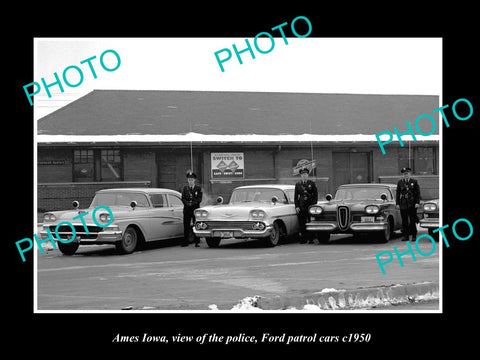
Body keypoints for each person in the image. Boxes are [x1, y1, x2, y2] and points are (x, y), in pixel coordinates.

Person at [396, 167, 421, 241]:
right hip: (403, 203)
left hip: (412, 204)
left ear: (410, 174)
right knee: (404, 221)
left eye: (407, 174)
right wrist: (397, 203)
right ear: (403, 175)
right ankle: (405, 236)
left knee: (412, 220)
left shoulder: (414, 181)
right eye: (404, 174)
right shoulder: (400, 182)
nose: (406, 175)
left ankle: (414, 235)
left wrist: (417, 202)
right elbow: (398, 193)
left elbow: (417, 193)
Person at [294, 167, 318, 244]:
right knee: (302, 223)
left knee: (310, 222)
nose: (304, 176)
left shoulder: (312, 183)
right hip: (301, 206)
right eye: (302, 174)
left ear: (307, 175)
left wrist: (313, 205)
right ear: (301, 176)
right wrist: (297, 206)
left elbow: (315, 195)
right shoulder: (298, 184)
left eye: (305, 174)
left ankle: (311, 238)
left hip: (310, 205)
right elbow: (296, 197)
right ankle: (303, 238)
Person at [181, 171, 203, 247]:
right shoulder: (185, 188)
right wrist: (187, 204)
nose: (190, 181)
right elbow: (183, 198)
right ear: (187, 180)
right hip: (187, 209)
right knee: (186, 226)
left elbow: (199, 199)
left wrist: (192, 204)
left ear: (194, 180)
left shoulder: (198, 188)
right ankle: (185, 241)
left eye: (192, 179)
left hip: (195, 209)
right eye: (189, 179)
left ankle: (197, 241)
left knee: (196, 225)